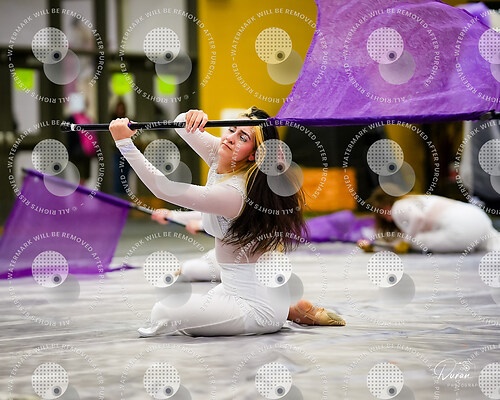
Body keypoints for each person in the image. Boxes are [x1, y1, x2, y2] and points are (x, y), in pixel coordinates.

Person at [109, 108, 345, 337]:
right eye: (231, 129)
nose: (231, 138)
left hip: (255, 307)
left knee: (164, 311)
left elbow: (164, 188)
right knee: (196, 289)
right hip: (234, 288)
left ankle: (282, 310)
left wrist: (124, 144)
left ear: (254, 155)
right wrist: (192, 116)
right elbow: (182, 126)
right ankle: (287, 308)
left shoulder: (236, 191)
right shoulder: (226, 154)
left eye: (243, 137)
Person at [150, 208, 345, 326]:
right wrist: (176, 216)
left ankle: (283, 308)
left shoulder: (238, 183)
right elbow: (211, 207)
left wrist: (200, 224)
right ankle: (283, 306)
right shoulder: (258, 183)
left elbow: (219, 209)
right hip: (268, 262)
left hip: (246, 260)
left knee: (191, 273)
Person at [360, 186, 500, 253]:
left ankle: (381, 247)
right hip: (480, 217)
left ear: (387, 204)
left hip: (460, 229)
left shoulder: (399, 205)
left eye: (383, 212)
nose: (388, 219)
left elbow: (417, 218)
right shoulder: (419, 198)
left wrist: (406, 242)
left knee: (415, 240)